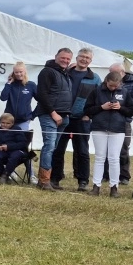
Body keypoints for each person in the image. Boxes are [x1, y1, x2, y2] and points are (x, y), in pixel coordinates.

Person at [51, 48, 100, 191]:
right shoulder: (65, 72)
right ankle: (55, 178)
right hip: (63, 117)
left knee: (83, 151)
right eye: (82, 57)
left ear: (91, 61)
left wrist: (89, 115)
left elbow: (98, 99)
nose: (84, 59)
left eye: (88, 58)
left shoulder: (95, 78)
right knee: (58, 149)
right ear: (77, 58)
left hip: (82, 119)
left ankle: (83, 181)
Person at [84, 71, 133, 197]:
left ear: (120, 83)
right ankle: (96, 186)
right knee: (99, 157)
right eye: (111, 85)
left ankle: (114, 187)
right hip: (99, 127)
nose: (113, 88)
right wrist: (101, 107)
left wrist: (120, 108)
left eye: (116, 86)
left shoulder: (125, 92)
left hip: (118, 129)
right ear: (106, 81)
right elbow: (87, 110)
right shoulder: (96, 91)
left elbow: (130, 112)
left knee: (114, 158)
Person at [33, 48, 73, 190]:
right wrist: (53, 113)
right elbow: (42, 94)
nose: (65, 61)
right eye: (63, 58)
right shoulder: (47, 72)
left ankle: (43, 179)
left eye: (68, 59)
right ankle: (44, 181)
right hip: (49, 114)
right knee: (49, 146)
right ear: (56, 57)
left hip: (63, 115)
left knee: (54, 147)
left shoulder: (65, 74)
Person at [101, 63, 133, 185]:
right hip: (107, 120)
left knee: (123, 149)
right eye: (110, 71)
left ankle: (124, 175)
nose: (111, 74)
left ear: (123, 73)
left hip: (124, 121)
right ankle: (106, 174)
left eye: (114, 72)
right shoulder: (104, 83)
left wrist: (122, 104)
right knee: (107, 148)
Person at [0, 61, 38, 183]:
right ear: (13, 73)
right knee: (9, 146)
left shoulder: (31, 85)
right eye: (16, 72)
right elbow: (3, 97)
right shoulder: (11, 85)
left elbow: (41, 101)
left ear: (25, 72)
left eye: (21, 72)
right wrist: (8, 83)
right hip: (9, 122)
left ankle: (31, 174)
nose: (19, 74)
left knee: (23, 147)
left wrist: (33, 115)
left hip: (23, 121)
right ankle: (11, 171)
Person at [0, 113, 29, 184]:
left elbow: (23, 144)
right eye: (3, 123)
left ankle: (4, 176)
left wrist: (8, 147)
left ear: (12, 123)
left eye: (8, 123)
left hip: (16, 151)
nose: (5, 125)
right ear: (0, 122)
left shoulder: (17, 129)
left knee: (15, 156)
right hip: (2, 152)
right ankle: (4, 176)